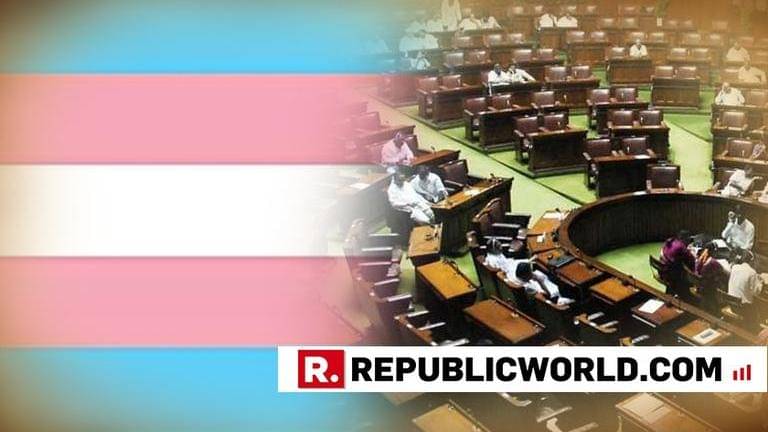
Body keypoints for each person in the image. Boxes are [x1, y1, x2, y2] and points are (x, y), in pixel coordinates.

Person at [509, 261, 574, 305]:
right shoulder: (529, 288)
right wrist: (539, 281)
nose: (532, 273)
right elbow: (548, 295)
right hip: (554, 295)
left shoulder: (515, 276)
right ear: (527, 275)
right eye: (530, 272)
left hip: (546, 281)